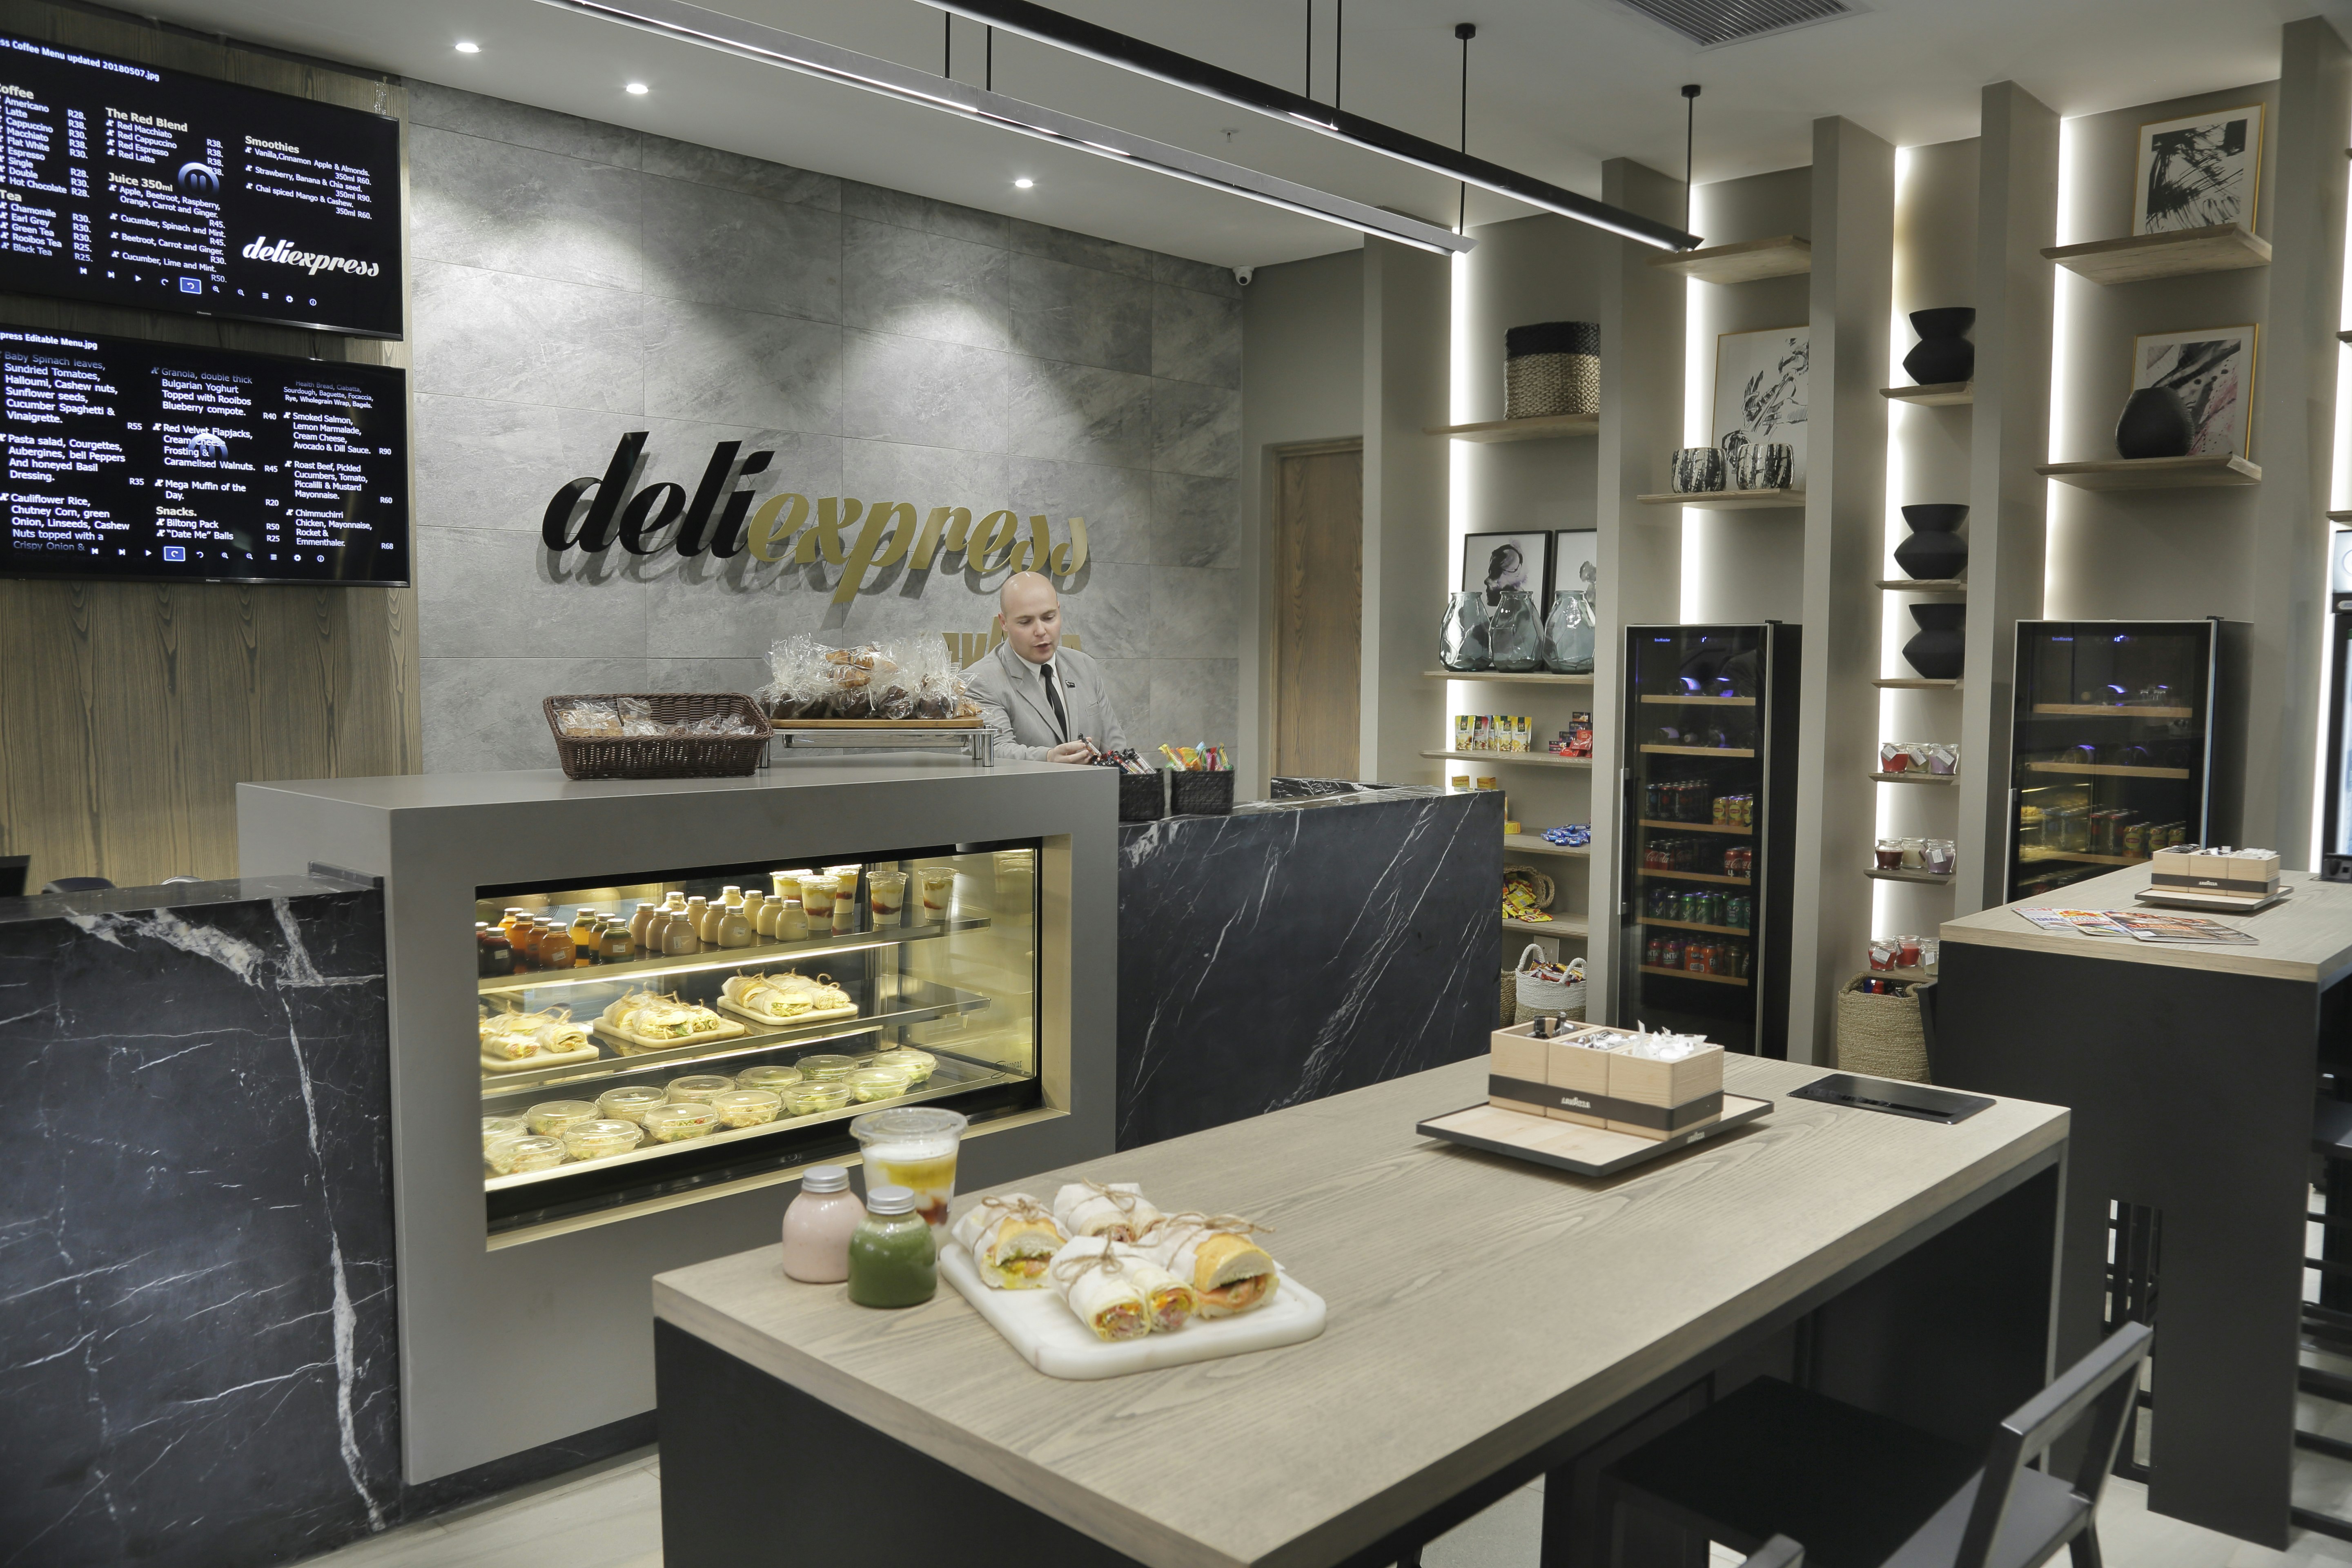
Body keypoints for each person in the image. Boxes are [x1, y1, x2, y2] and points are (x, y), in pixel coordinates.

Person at [966, 571, 1130, 764]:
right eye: (1025, 622)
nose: (1041, 631)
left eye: (1049, 618)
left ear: (1059, 611)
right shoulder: (980, 680)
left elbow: (1115, 747)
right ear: (1004, 623)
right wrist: (1048, 758)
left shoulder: (1085, 666)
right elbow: (991, 750)